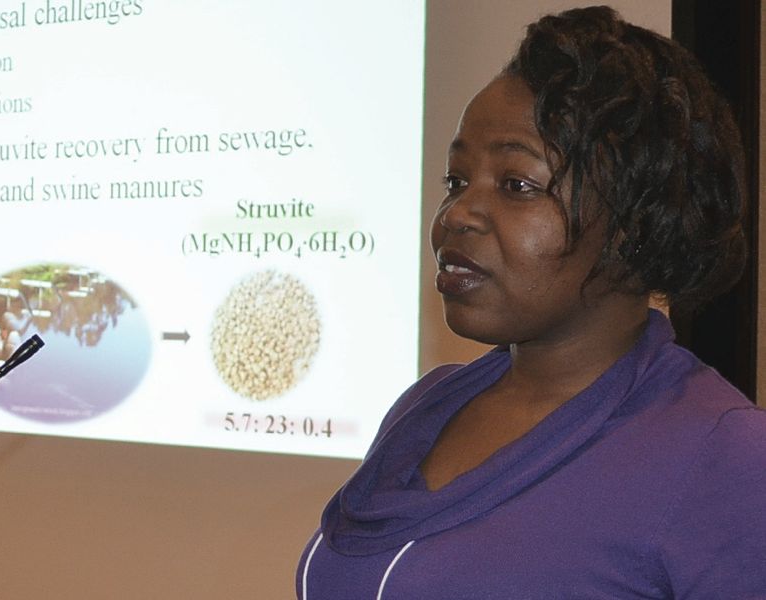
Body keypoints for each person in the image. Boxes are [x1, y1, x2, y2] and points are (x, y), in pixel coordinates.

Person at [296, 6, 766, 599]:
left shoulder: (724, 457)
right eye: (456, 181)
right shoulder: (426, 408)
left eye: (518, 185)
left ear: (636, 223)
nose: (455, 216)